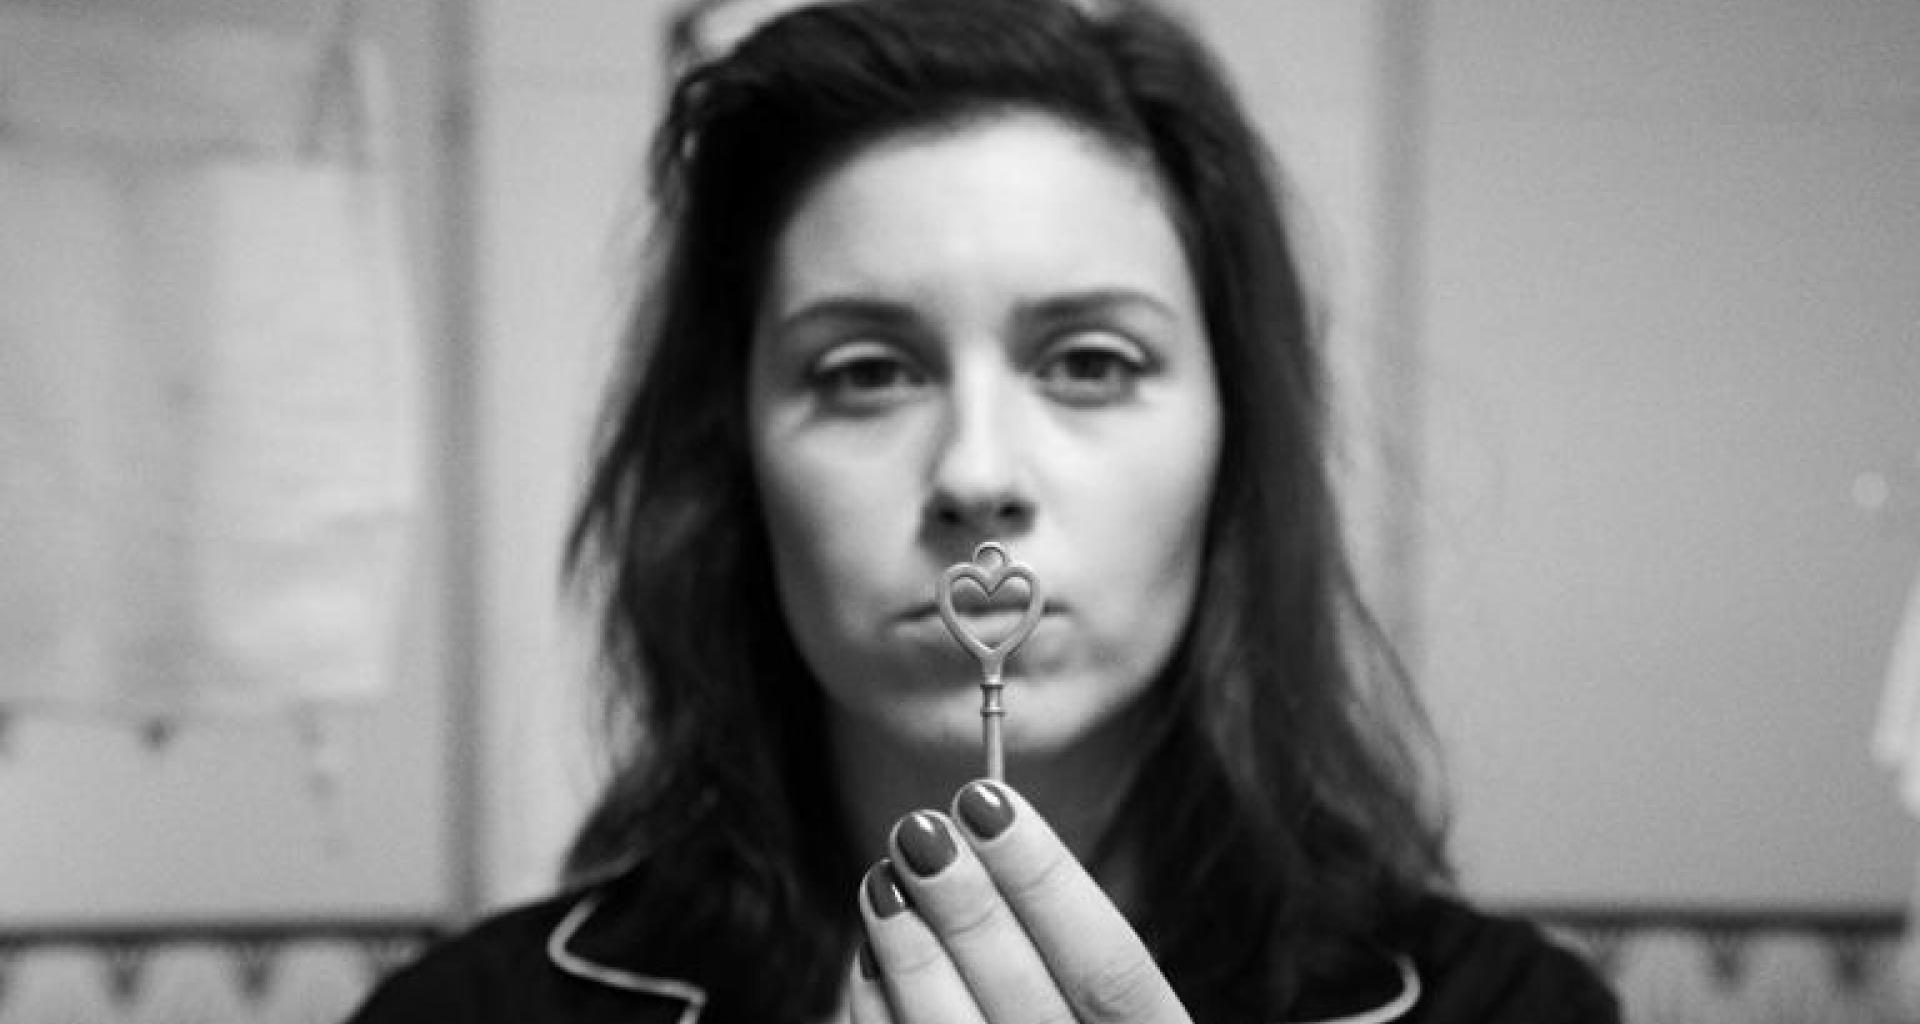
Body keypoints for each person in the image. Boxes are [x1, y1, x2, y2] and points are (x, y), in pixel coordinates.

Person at [349, 0, 1619, 1021]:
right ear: (733, 455)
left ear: (1234, 442)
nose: (975, 472)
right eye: (865, 373)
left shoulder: (1509, 1010)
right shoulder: (466, 1013)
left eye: (1091, 362)